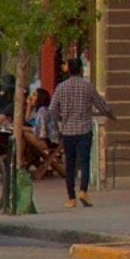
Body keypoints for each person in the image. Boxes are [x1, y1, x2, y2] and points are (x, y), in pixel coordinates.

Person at [47, 62, 111, 208]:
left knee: (70, 164)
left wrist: (60, 118)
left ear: (69, 70)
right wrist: (110, 114)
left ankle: (71, 197)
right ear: (81, 70)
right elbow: (101, 105)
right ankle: (83, 190)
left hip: (68, 130)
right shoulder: (87, 86)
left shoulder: (61, 87)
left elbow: (52, 108)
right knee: (85, 161)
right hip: (84, 129)